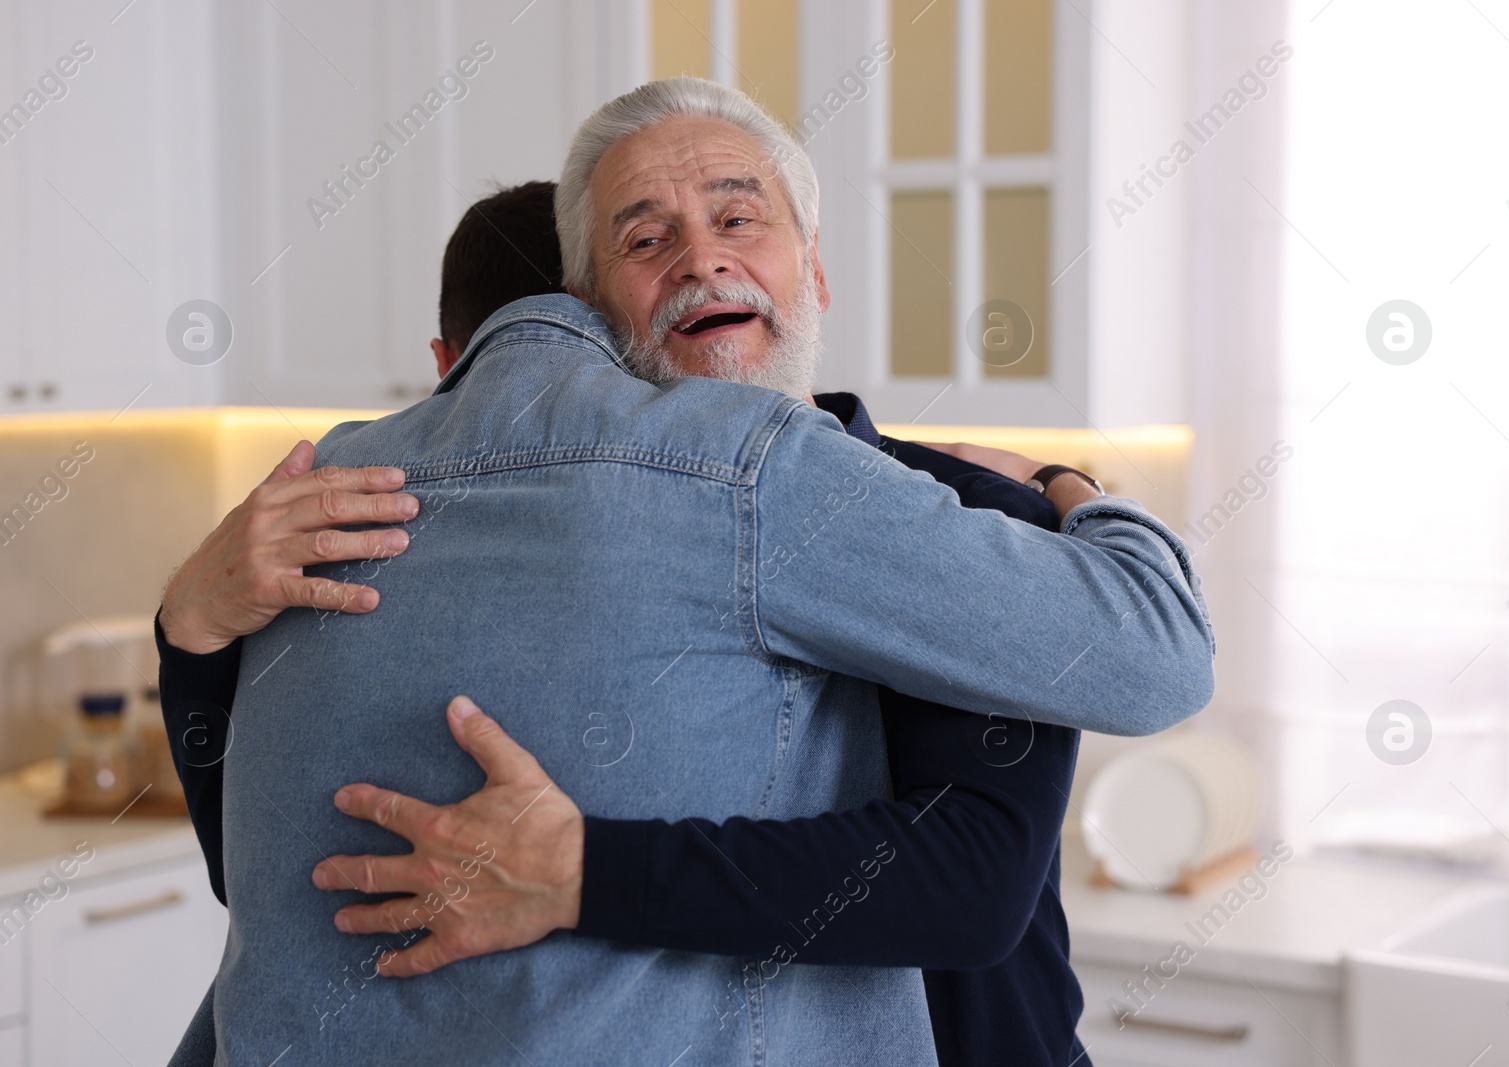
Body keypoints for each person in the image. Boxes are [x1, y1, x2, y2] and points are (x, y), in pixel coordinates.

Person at [162, 78, 1212, 1066]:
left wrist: (1067, 484)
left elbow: (972, 878)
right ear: (586, 316)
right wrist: (191, 629)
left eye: (738, 217)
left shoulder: (969, 514)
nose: (702, 261)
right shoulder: (404, 515)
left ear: (816, 266)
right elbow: (275, 866)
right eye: (647, 238)